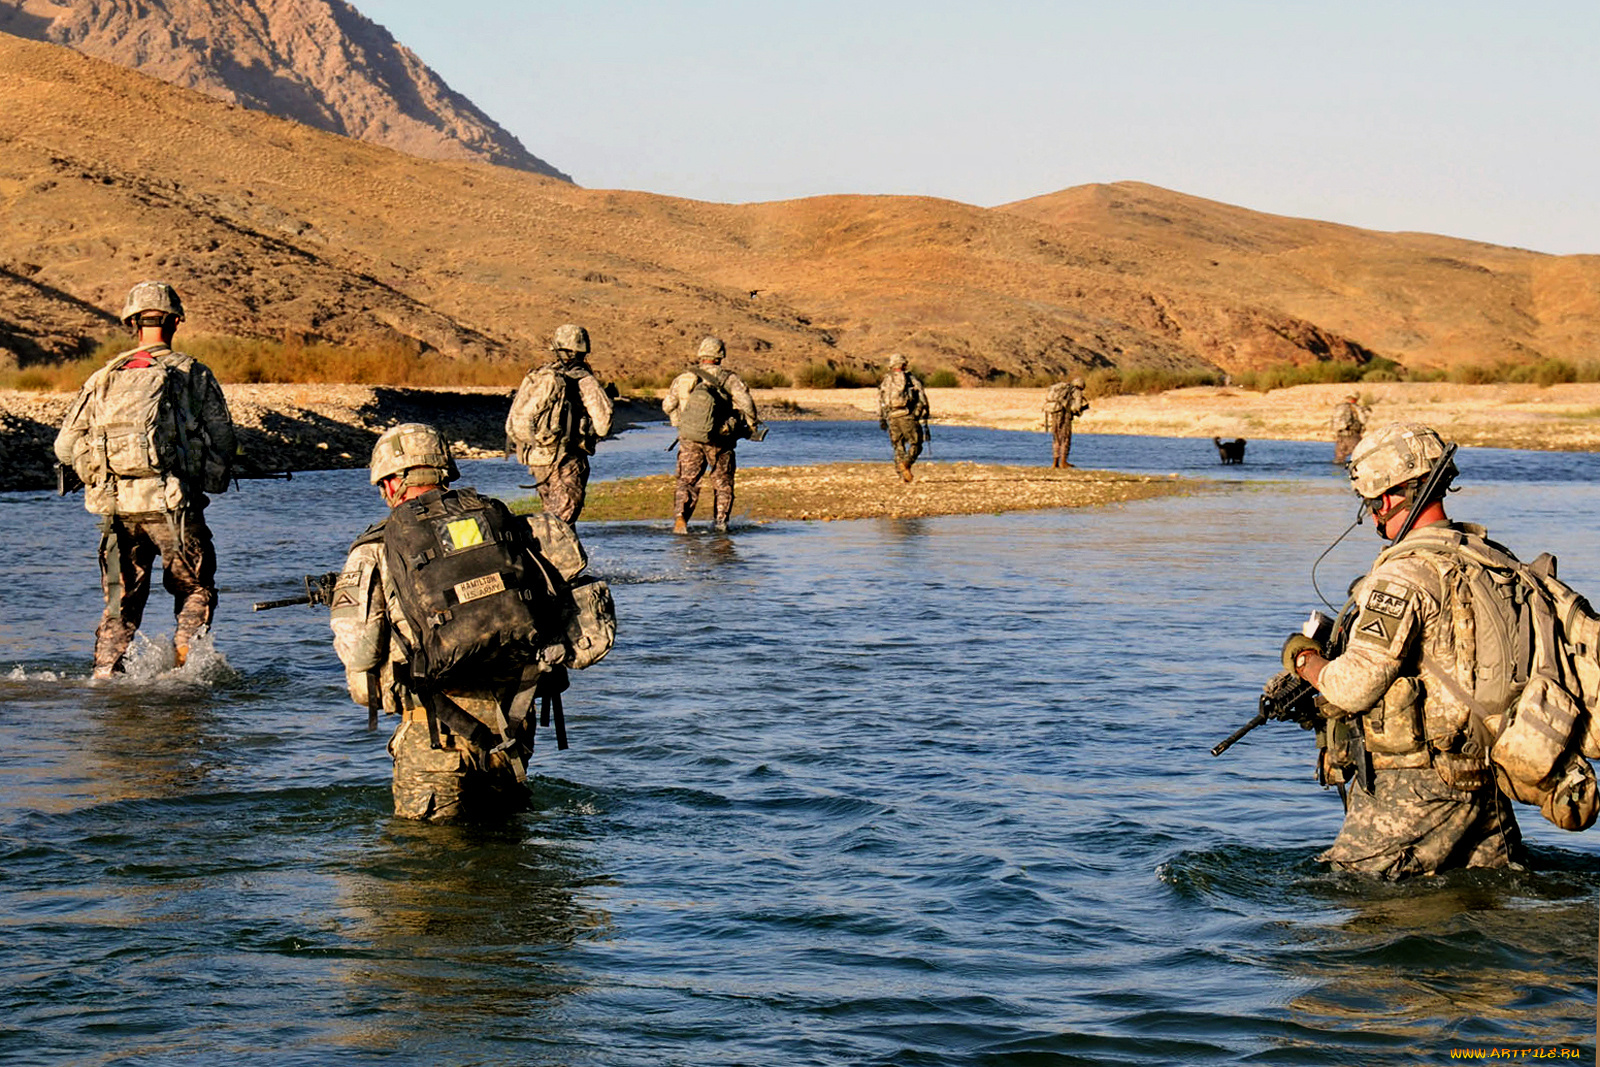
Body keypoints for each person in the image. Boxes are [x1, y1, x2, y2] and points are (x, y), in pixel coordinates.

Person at [1280, 423, 1524, 878]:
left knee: (1357, 906)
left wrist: (1304, 659)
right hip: (1488, 781)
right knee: (1484, 907)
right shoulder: (1494, 562)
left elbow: (1353, 687)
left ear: (1387, 500)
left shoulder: (1402, 576)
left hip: (1413, 792)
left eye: (1369, 504)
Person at [329, 423, 579, 821]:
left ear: (394, 482)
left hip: (435, 734)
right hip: (514, 723)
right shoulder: (504, 527)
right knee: (507, 853)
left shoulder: (376, 548)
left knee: (426, 866)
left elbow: (359, 656)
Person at [54, 280, 236, 677]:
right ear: (174, 322)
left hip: (116, 513)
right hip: (174, 510)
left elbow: (65, 447)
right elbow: (223, 440)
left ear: (132, 322)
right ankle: (188, 672)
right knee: (194, 591)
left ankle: (105, 676)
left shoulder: (102, 377)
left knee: (120, 603)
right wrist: (210, 480)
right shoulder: (192, 373)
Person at [505, 324, 614, 524]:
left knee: (551, 514)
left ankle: (549, 552)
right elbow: (603, 424)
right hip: (566, 457)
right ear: (583, 349)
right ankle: (551, 554)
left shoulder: (540, 374)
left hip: (537, 458)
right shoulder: (583, 379)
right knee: (562, 520)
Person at [661, 336, 763, 533]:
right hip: (720, 440)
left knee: (687, 480)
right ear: (720, 356)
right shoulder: (729, 378)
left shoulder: (683, 378)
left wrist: (679, 424)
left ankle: (681, 518)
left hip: (689, 438)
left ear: (701, 354)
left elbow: (668, 405)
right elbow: (746, 403)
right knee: (723, 483)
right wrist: (752, 424)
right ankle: (721, 523)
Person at [876, 353, 930, 482]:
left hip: (891, 417)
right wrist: (921, 414)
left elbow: (880, 400)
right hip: (906, 416)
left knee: (898, 446)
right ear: (903, 364)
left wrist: (882, 419)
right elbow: (921, 397)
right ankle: (906, 464)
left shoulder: (886, 380)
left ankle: (902, 476)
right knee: (916, 443)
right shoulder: (910, 378)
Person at [1043, 376, 1089, 468]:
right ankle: (1063, 462)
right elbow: (1076, 407)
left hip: (1054, 414)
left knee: (1056, 438)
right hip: (1065, 416)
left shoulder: (1061, 389)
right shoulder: (1076, 391)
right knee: (1065, 438)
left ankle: (1055, 463)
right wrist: (1083, 408)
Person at [1331, 391, 1368, 465]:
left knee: (1338, 460)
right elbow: (1363, 420)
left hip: (1340, 436)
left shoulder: (1339, 407)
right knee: (1361, 457)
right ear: (1355, 398)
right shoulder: (1356, 408)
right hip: (1353, 436)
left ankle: (1337, 474)